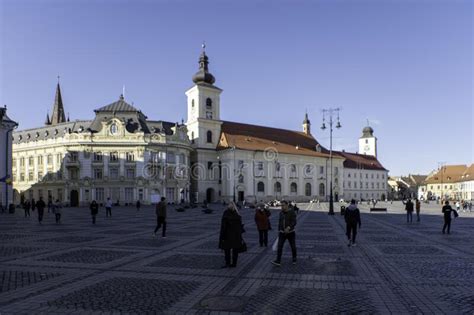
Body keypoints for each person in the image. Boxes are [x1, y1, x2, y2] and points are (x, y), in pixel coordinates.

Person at [272, 200, 297, 266]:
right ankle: (278, 260)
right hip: (282, 233)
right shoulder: (281, 213)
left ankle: (294, 258)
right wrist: (279, 230)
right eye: (281, 205)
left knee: (293, 246)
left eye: (283, 205)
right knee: (279, 246)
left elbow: (294, 222)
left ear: (287, 205)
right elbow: (280, 222)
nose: (282, 207)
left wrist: (288, 227)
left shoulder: (292, 212)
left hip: (291, 233)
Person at [219, 202, 244, 268]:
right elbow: (240, 227)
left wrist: (222, 237)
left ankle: (227, 263)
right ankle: (234, 264)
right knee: (235, 250)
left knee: (227, 250)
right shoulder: (237, 214)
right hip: (236, 236)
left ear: (228, 207)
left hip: (228, 235)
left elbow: (223, 226)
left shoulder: (226, 214)